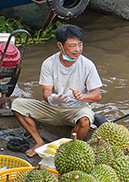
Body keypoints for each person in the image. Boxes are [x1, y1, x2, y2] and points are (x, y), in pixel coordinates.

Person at [11, 25, 103, 157]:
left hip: (76, 109)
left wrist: (83, 96)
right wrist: (52, 98)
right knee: (17, 105)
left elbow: (97, 95)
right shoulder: (49, 63)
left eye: (80, 45)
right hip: (52, 109)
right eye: (72, 46)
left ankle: (70, 149)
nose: (77, 50)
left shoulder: (87, 65)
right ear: (60, 46)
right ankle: (39, 141)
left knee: (85, 121)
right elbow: (46, 92)